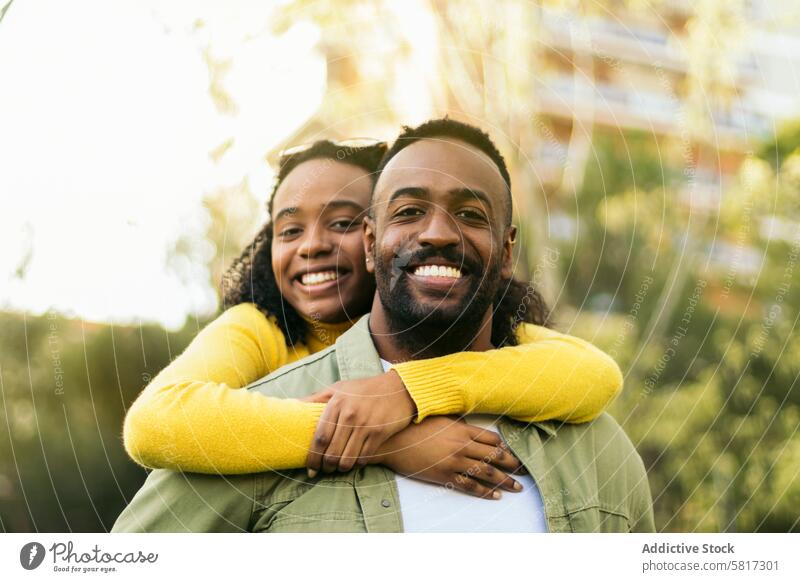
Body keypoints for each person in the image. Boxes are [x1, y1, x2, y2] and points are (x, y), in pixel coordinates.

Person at [113, 118, 654, 532]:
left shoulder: (592, 443)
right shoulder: (254, 367)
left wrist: (405, 393)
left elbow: (594, 372)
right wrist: (367, 438)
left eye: (470, 214)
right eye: (408, 211)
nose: (316, 245)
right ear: (375, 244)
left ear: (508, 250)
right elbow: (156, 422)